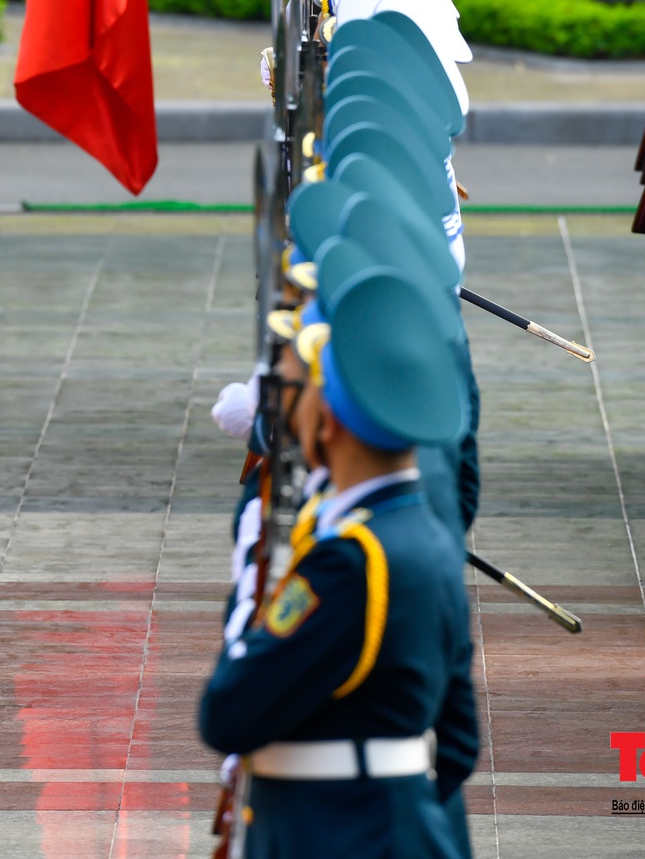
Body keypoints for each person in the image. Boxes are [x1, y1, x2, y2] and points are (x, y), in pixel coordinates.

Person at [201, 267, 478, 858]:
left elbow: (228, 711)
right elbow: (456, 743)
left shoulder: (348, 563)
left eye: (293, 393)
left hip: (334, 833)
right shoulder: (425, 535)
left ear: (325, 421)